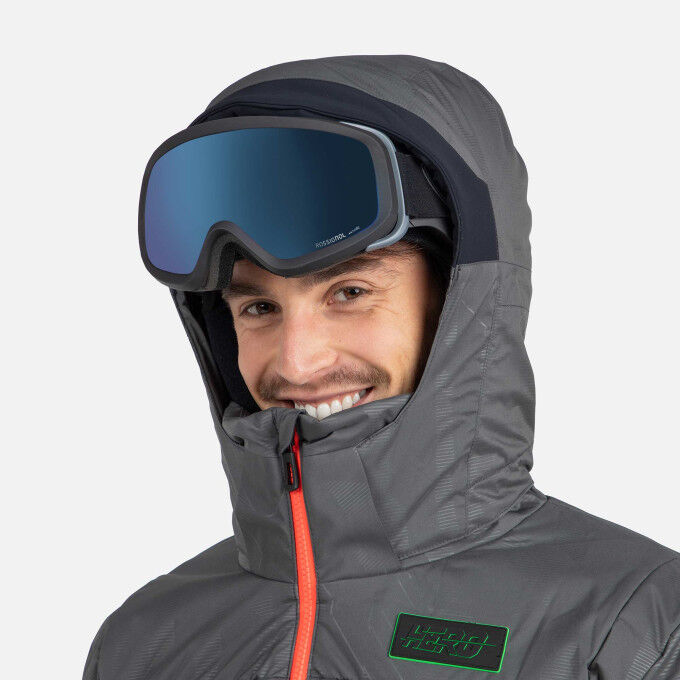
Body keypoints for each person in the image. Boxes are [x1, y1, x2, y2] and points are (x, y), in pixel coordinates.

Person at [84, 55, 680, 679]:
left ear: (460, 303)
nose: (297, 363)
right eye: (259, 307)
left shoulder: (632, 627)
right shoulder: (143, 643)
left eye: (349, 293)